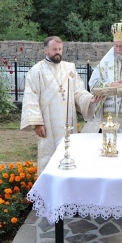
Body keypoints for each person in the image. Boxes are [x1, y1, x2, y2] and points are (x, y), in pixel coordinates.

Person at [21, 36, 100, 172]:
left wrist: (90, 99)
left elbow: (78, 91)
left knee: (69, 154)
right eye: (54, 49)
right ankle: (49, 183)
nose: (57, 52)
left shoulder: (69, 68)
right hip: (48, 122)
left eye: (60, 49)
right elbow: (30, 97)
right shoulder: (36, 70)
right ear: (46, 50)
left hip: (68, 121)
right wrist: (38, 123)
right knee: (49, 156)